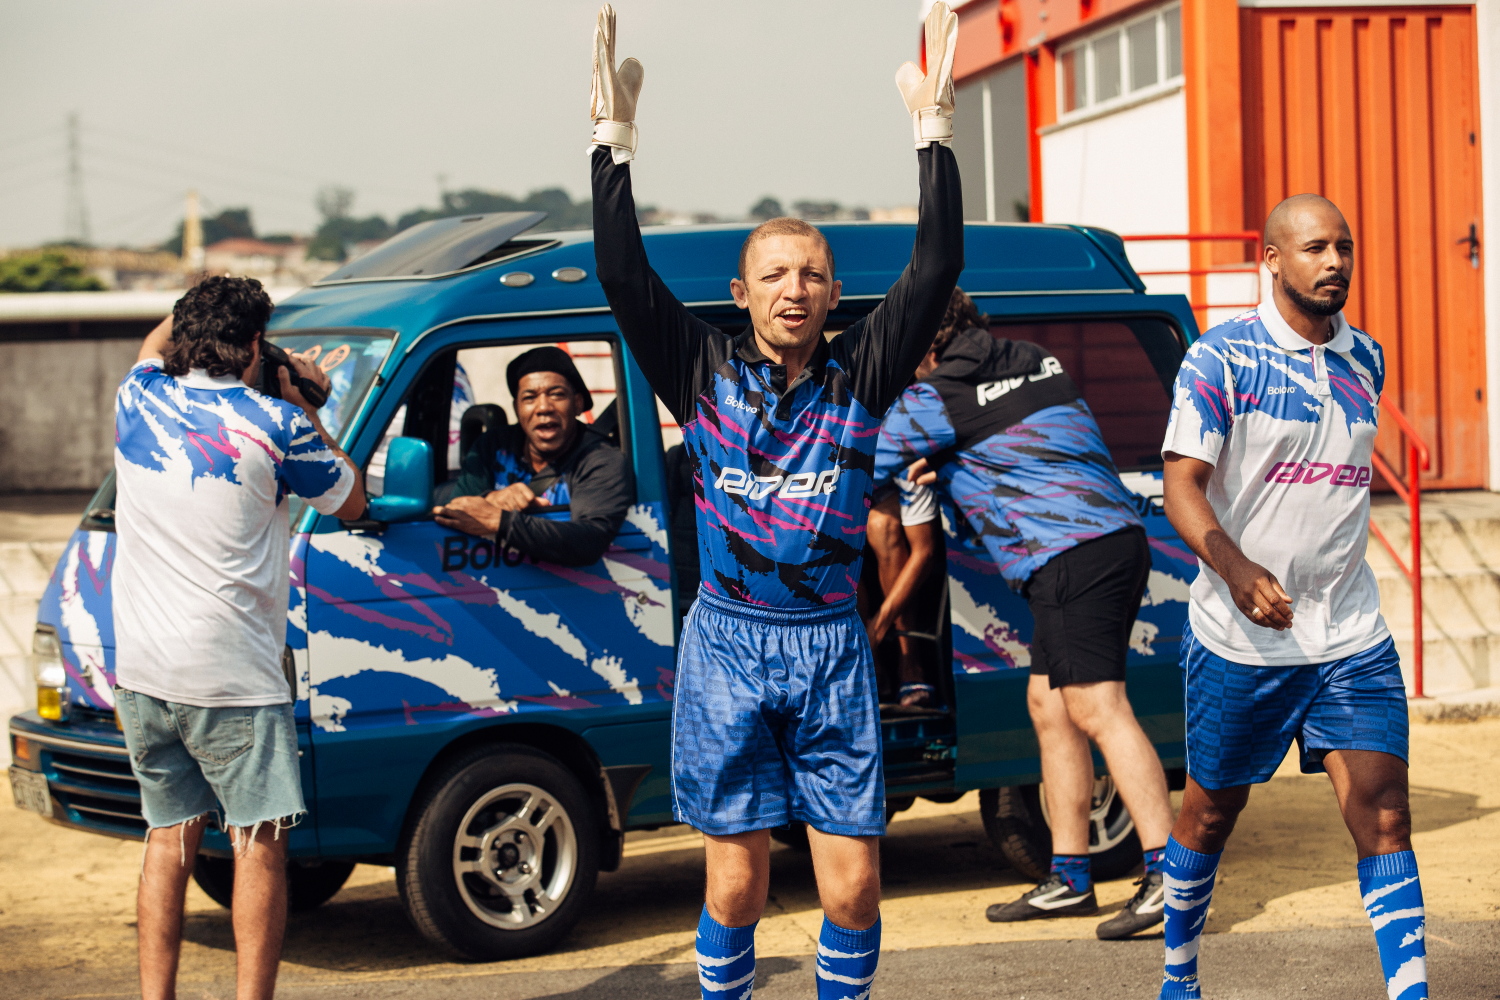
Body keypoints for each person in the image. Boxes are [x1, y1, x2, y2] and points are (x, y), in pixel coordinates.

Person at [587, 5, 964, 997]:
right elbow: (623, 274)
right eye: (773, 275)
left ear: (835, 295)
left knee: (852, 888)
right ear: (741, 292)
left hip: (831, 645)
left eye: (810, 274)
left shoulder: (861, 374)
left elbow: (935, 268)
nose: (793, 288)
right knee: (739, 881)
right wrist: (611, 148)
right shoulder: (701, 369)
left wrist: (934, 139)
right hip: (729, 646)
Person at [1157, 194, 1424, 1000]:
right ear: (1273, 260)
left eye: (1344, 246)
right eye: (1314, 247)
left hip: (1349, 633)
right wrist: (1236, 571)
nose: (1334, 262)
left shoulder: (1366, 358)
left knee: (1384, 815)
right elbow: (1182, 487)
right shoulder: (1220, 358)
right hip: (1242, 642)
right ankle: (1179, 976)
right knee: (1208, 816)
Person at [880, 287, 1176, 939]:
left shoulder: (934, 399)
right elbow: (1018, 436)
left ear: (928, 346)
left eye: (908, 355)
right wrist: (954, 457)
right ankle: (1070, 876)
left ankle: (1172, 876)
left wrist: (935, 454)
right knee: (1049, 704)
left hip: (1072, 551)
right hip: (1109, 542)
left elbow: (859, 462)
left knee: (1099, 707)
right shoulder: (1033, 357)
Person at [112, 276, 364, 1000]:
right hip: (232, 678)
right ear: (255, 345)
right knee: (258, 845)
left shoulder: (139, 397)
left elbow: (155, 342)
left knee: (169, 840)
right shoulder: (274, 422)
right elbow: (352, 500)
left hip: (144, 672)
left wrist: (218, 323)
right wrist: (304, 401)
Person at [434, 346, 634, 567]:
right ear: (517, 408)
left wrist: (500, 520)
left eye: (557, 395)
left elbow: (590, 540)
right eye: (529, 397)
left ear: (577, 403)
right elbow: (454, 511)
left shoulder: (601, 459)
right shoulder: (492, 446)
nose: (543, 408)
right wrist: (491, 499)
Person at [864, 475, 940, 707]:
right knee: (832, 537)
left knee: (883, 527)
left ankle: (910, 663)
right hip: (835, 488)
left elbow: (924, 552)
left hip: (889, 488)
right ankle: (869, 666)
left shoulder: (900, 449)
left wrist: (875, 630)